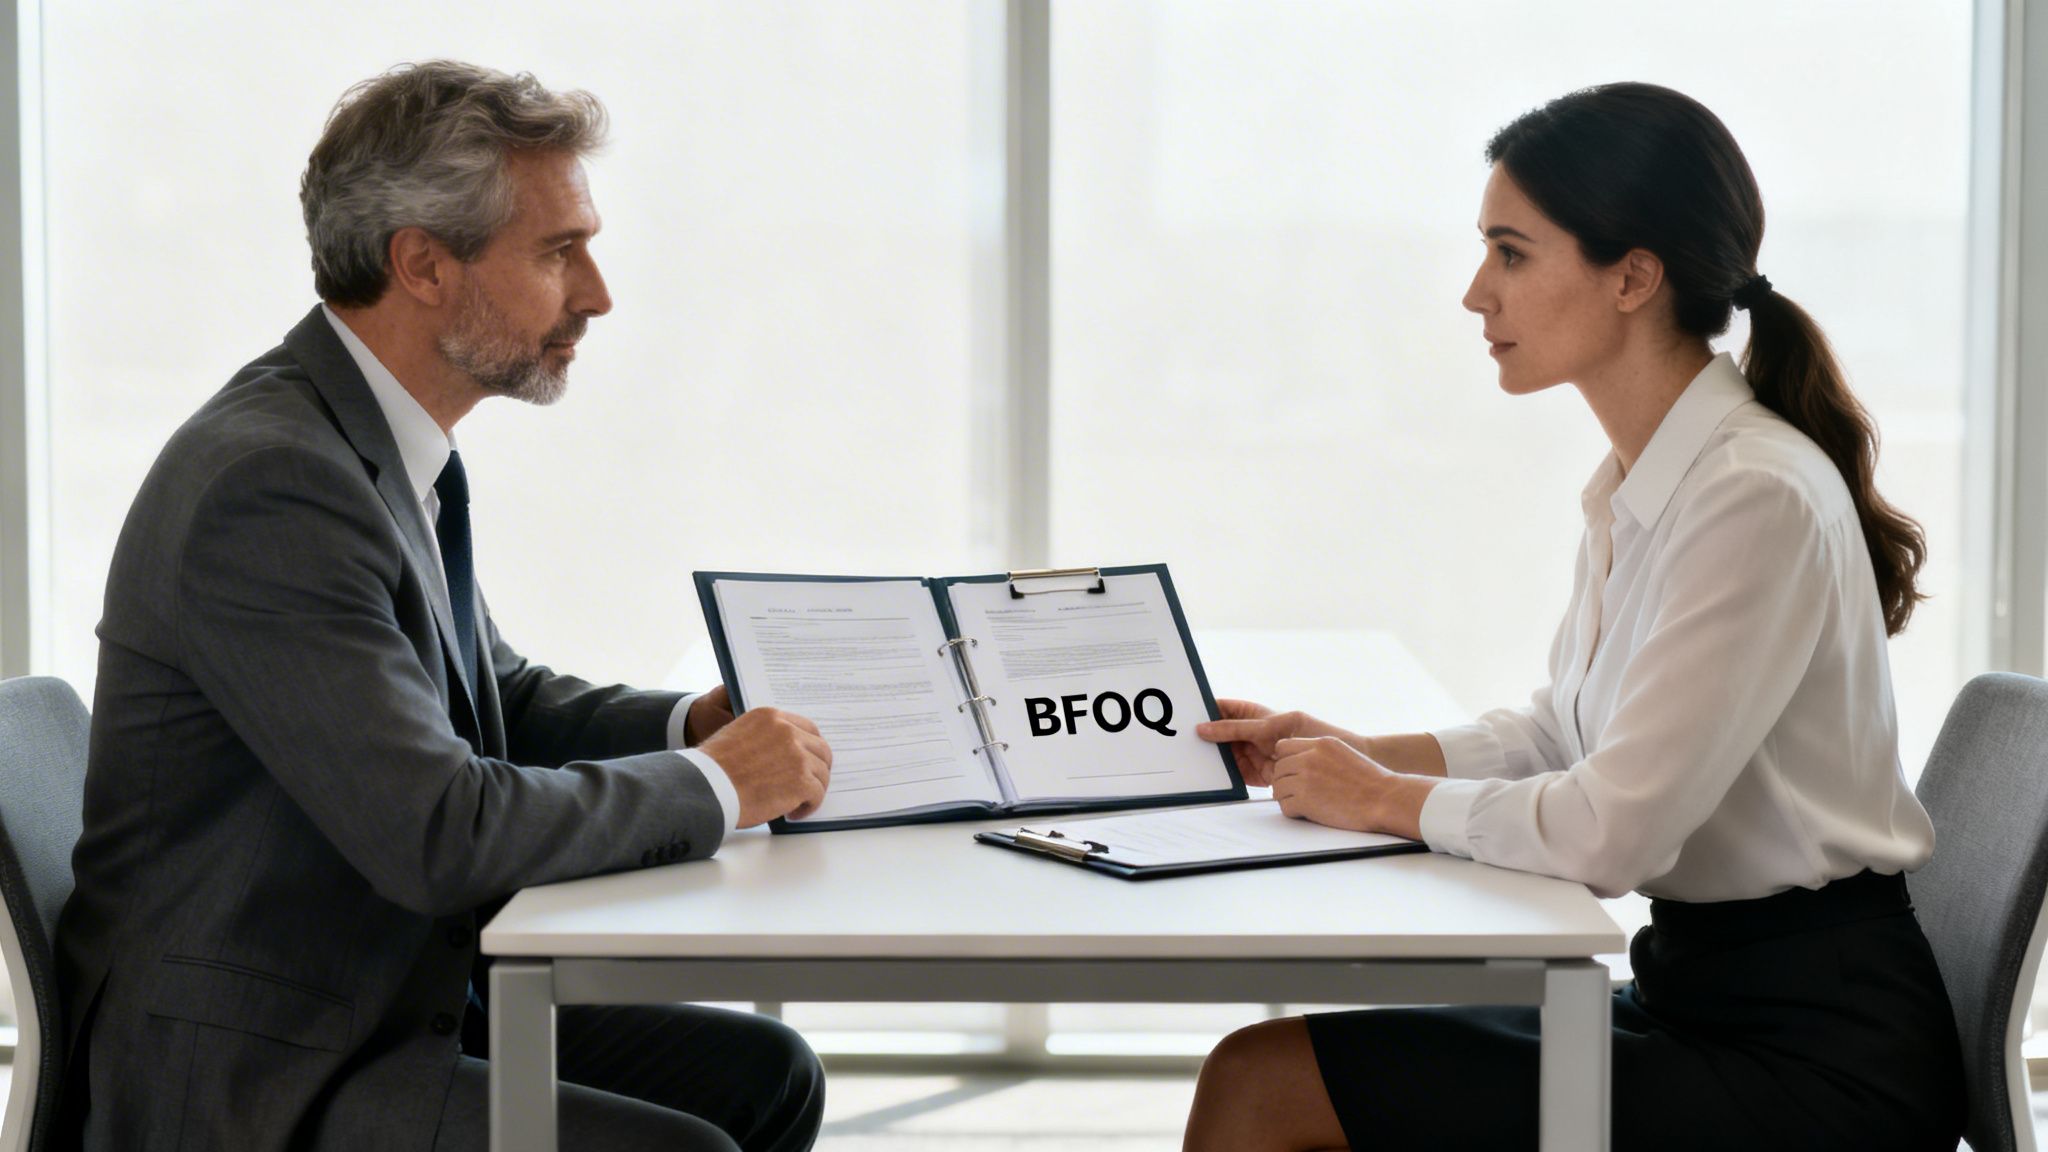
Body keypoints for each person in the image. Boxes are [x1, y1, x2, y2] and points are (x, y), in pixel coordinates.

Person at [54, 61, 834, 1152]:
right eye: (558, 252)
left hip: (378, 997)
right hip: (259, 1068)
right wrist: (714, 787)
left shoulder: (371, 443)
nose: (597, 292)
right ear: (422, 264)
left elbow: (491, 697)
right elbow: (442, 829)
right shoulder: (269, 487)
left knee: (766, 1077)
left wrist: (686, 730)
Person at [1182, 83, 1966, 1151]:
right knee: (1267, 1073)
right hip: (1700, 1001)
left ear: (1631, 277)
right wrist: (1353, 753)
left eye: (1510, 252)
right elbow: (1561, 734)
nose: (1473, 292)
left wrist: (1384, 799)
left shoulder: (1750, 494)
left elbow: (1615, 831)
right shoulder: (1642, 483)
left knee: (1263, 1086)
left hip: (1812, 1064)